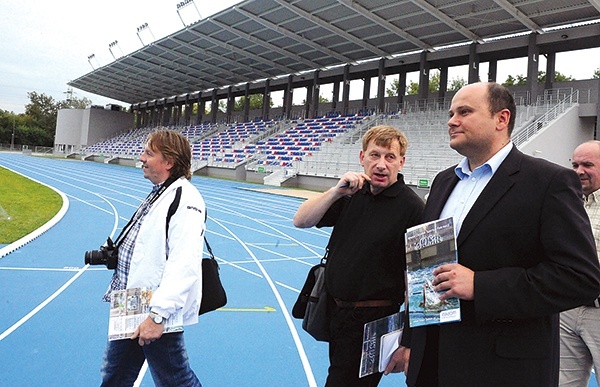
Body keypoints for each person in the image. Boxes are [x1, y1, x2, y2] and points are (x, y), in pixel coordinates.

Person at [394, 82, 600, 386]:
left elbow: (579, 278)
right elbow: (426, 267)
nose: (452, 120)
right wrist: (411, 337)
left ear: (501, 119)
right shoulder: (442, 182)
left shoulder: (548, 181)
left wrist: (481, 285)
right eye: (451, 113)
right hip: (432, 361)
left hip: (501, 369)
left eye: (464, 112)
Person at [293, 125, 424, 386]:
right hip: (336, 313)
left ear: (402, 162)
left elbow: (419, 281)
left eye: (390, 157)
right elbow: (301, 220)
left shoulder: (413, 208)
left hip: (374, 323)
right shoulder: (352, 195)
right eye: (375, 155)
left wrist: (408, 341)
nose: (381, 164)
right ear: (362, 157)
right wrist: (336, 191)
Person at [99, 130, 205, 386]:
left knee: (176, 380)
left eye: (149, 152)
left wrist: (158, 315)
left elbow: (184, 262)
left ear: (168, 162)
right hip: (132, 302)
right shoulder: (161, 191)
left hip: (153, 306)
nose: (141, 157)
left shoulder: (186, 198)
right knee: (117, 376)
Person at [560, 140, 600, 386]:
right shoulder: (567, 202)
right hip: (567, 307)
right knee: (562, 382)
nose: (579, 171)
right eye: (574, 164)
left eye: (587, 164)